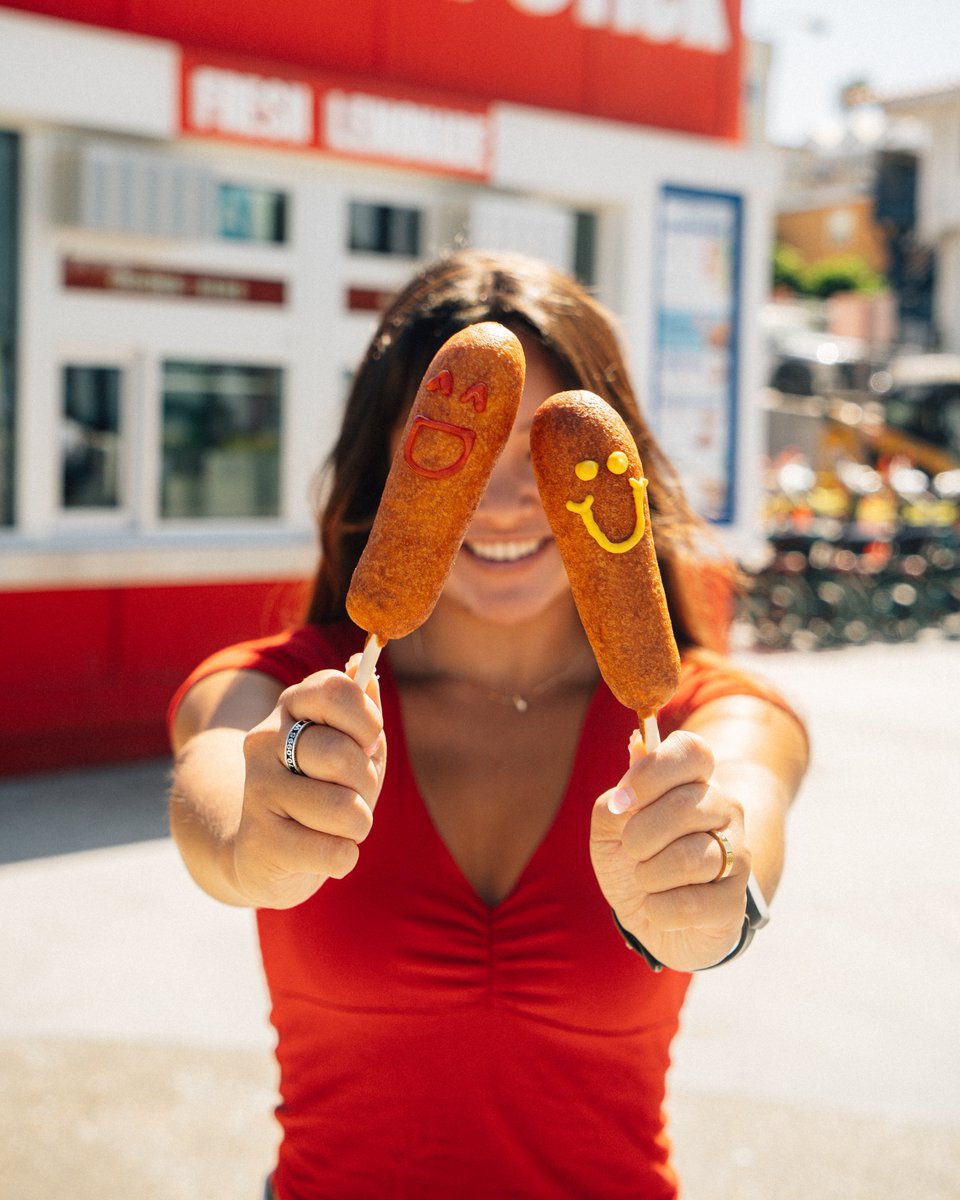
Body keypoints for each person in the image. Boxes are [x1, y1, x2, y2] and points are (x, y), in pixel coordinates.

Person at [168, 250, 808, 1200]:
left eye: (544, 458)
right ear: (386, 472)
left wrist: (713, 896)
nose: (503, 505)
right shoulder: (286, 690)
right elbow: (215, 796)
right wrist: (256, 841)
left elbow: (746, 819)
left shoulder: (702, 716)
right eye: (463, 456)